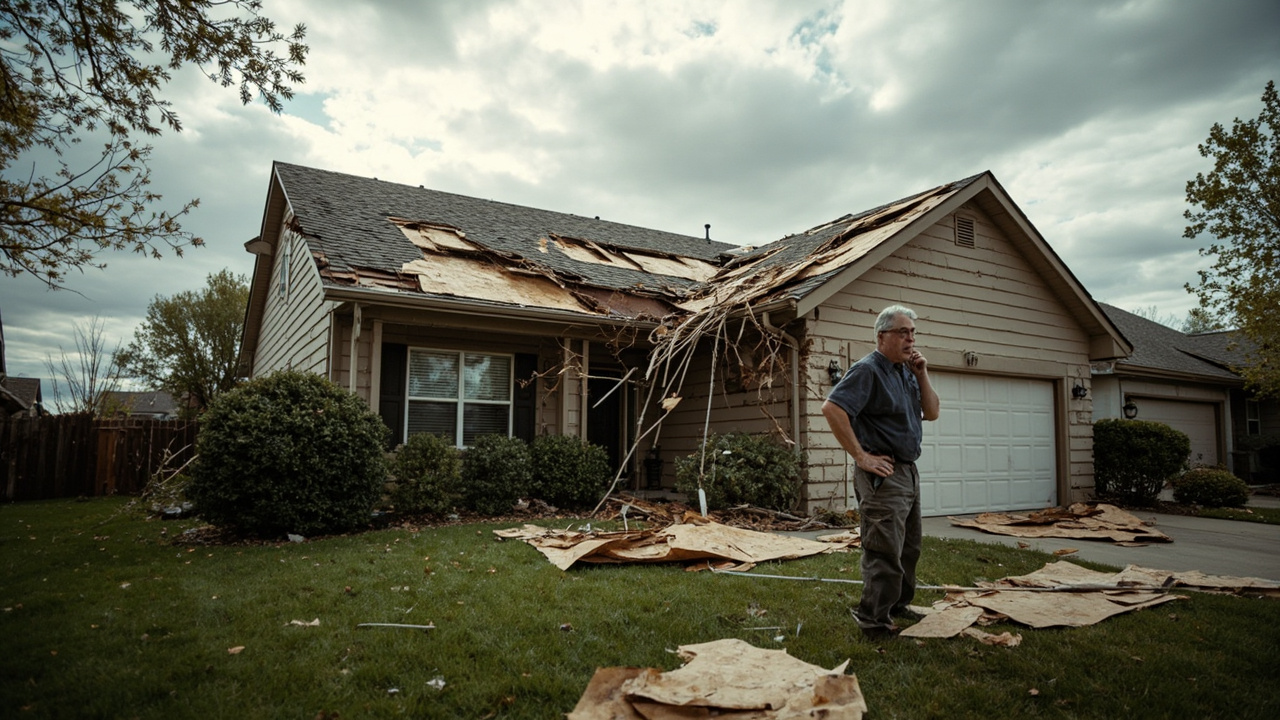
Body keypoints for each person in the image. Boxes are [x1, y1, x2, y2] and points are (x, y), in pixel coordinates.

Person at [821, 305, 940, 640]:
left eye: (913, 333)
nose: (910, 339)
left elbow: (931, 412)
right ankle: (873, 619)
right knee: (883, 548)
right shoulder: (868, 370)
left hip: (908, 471)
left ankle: (897, 605)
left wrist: (922, 373)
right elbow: (832, 408)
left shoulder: (907, 371)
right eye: (903, 332)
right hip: (882, 474)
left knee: (908, 547)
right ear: (882, 335)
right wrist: (860, 456)